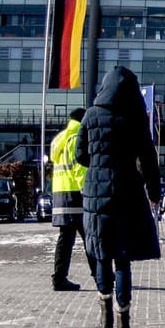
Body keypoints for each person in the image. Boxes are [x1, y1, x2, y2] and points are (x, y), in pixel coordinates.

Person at [76, 67, 161, 328]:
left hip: (96, 192)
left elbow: (81, 156)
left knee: (102, 253)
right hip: (127, 191)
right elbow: (148, 159)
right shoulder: (136, 118)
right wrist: (154, 192)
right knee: (122, 258)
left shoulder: (90, 115)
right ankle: (125, 325)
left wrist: (100, 165)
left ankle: (105, 315)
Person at [48, 107, 96, 291]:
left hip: (61, 195)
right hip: (76, 195)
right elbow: (79, 168)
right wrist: (87, 189)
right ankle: (100, 275)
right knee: (89, 236)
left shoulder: (60, 138)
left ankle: (59, 278)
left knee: (66, 239)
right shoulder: (76, 138)